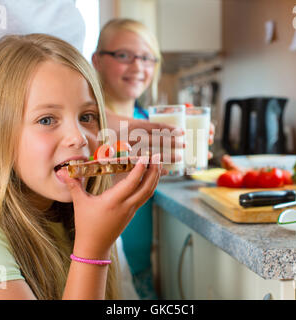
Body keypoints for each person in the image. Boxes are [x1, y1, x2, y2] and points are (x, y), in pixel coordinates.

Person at [0, 0, 179, 299]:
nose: (79, 138)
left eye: (88, 117)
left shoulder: (69, 215)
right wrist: (92, 250)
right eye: (47, 119)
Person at [92, 18, 215, 299]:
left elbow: (169, 172)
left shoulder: (151, 122)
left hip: (142, 266)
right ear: (97, 60)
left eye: (147, 58)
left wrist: (188, 152)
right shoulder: (89, 124)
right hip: (100, 265)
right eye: (124, 56)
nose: (137, 67)